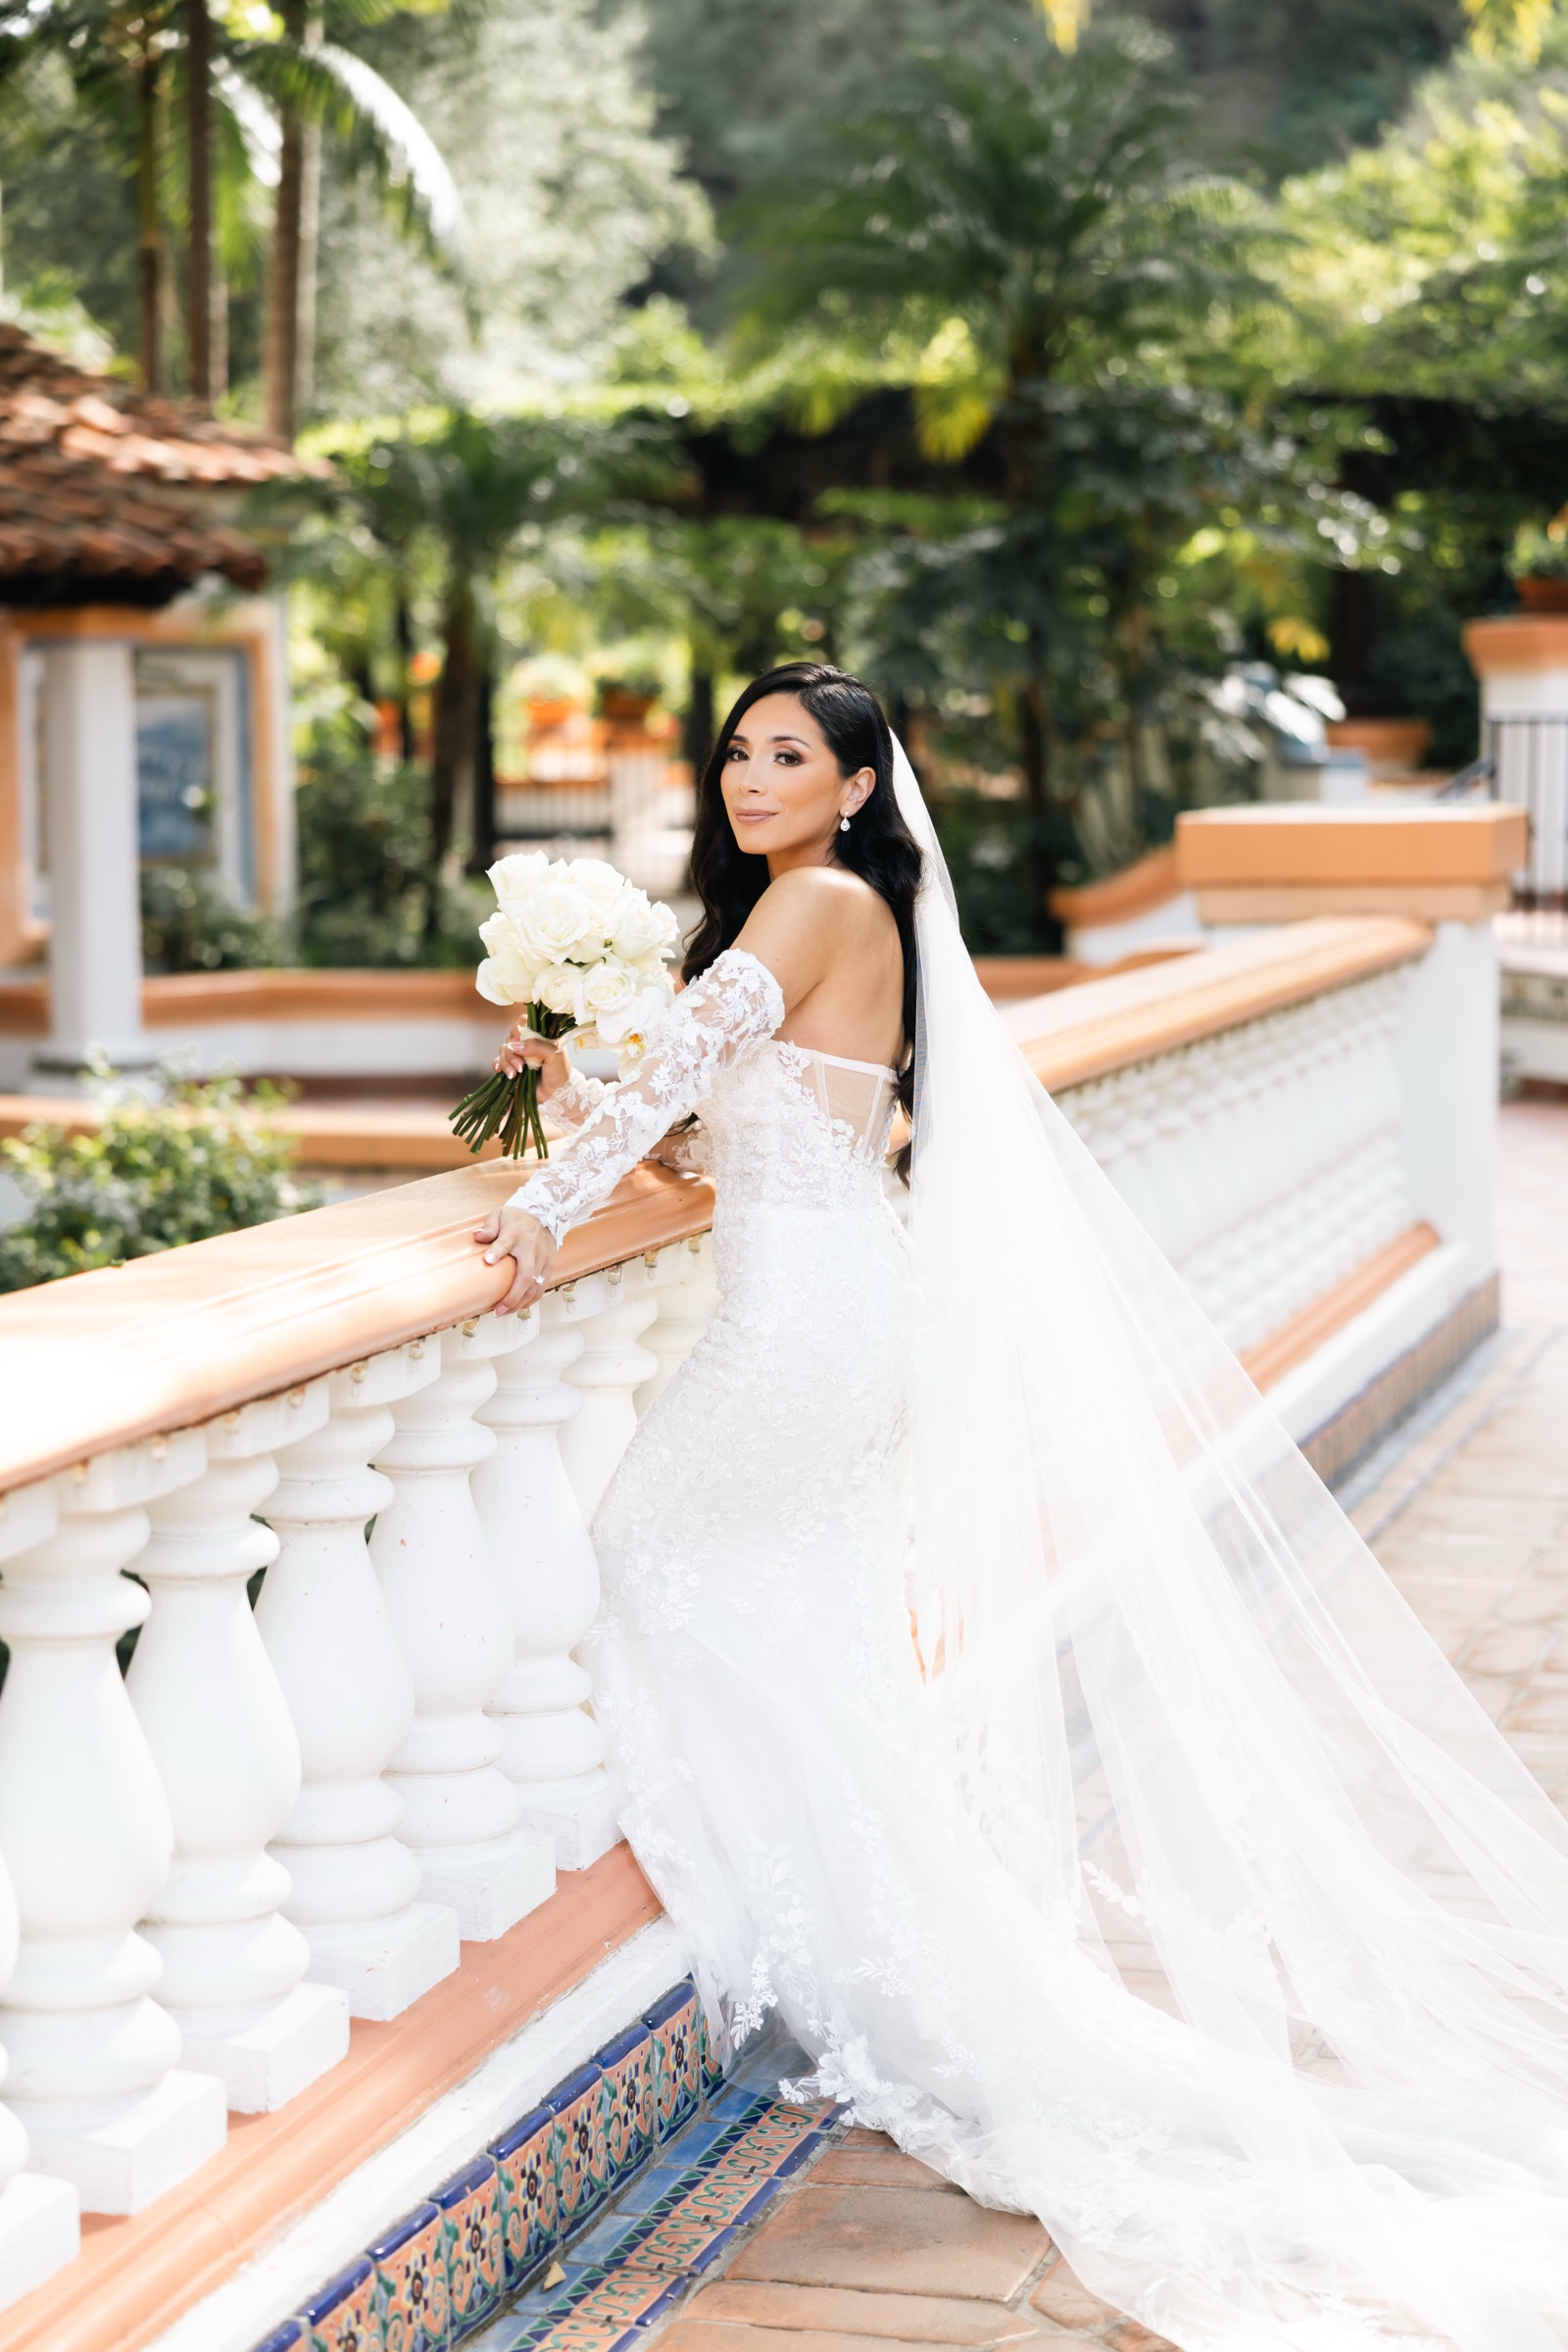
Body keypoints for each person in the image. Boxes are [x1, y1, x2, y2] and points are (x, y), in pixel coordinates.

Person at [473, 663, 1568, 2351]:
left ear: (854, 790)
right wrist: (586, 1108)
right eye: (740, 751)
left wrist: (546, 1208)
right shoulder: (832, 918)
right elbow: (730, 1125)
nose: (752, 776)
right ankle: (848, 1931)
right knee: (804, 1623)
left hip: (804, 1329)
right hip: (840, 1309)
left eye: (789, 756)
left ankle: (816, 1934)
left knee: (648, 1558)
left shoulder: (817, 903)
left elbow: (668, 1082)